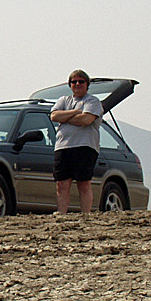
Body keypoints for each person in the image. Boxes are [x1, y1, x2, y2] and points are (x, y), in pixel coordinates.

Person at [49, 69, 102, 214]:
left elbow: (86, 120)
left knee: (83, 183)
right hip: (63, 147)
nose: (77, 84)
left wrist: (65, 118)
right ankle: (62, 214)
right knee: (62, 183)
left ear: (87, 84)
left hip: (84, 147)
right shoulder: (63, 100)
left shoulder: (92, 101)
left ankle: (85, 214)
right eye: (74, 81)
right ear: (70, 84)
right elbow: (53, 116)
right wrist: (74, 113)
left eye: (81, 81)